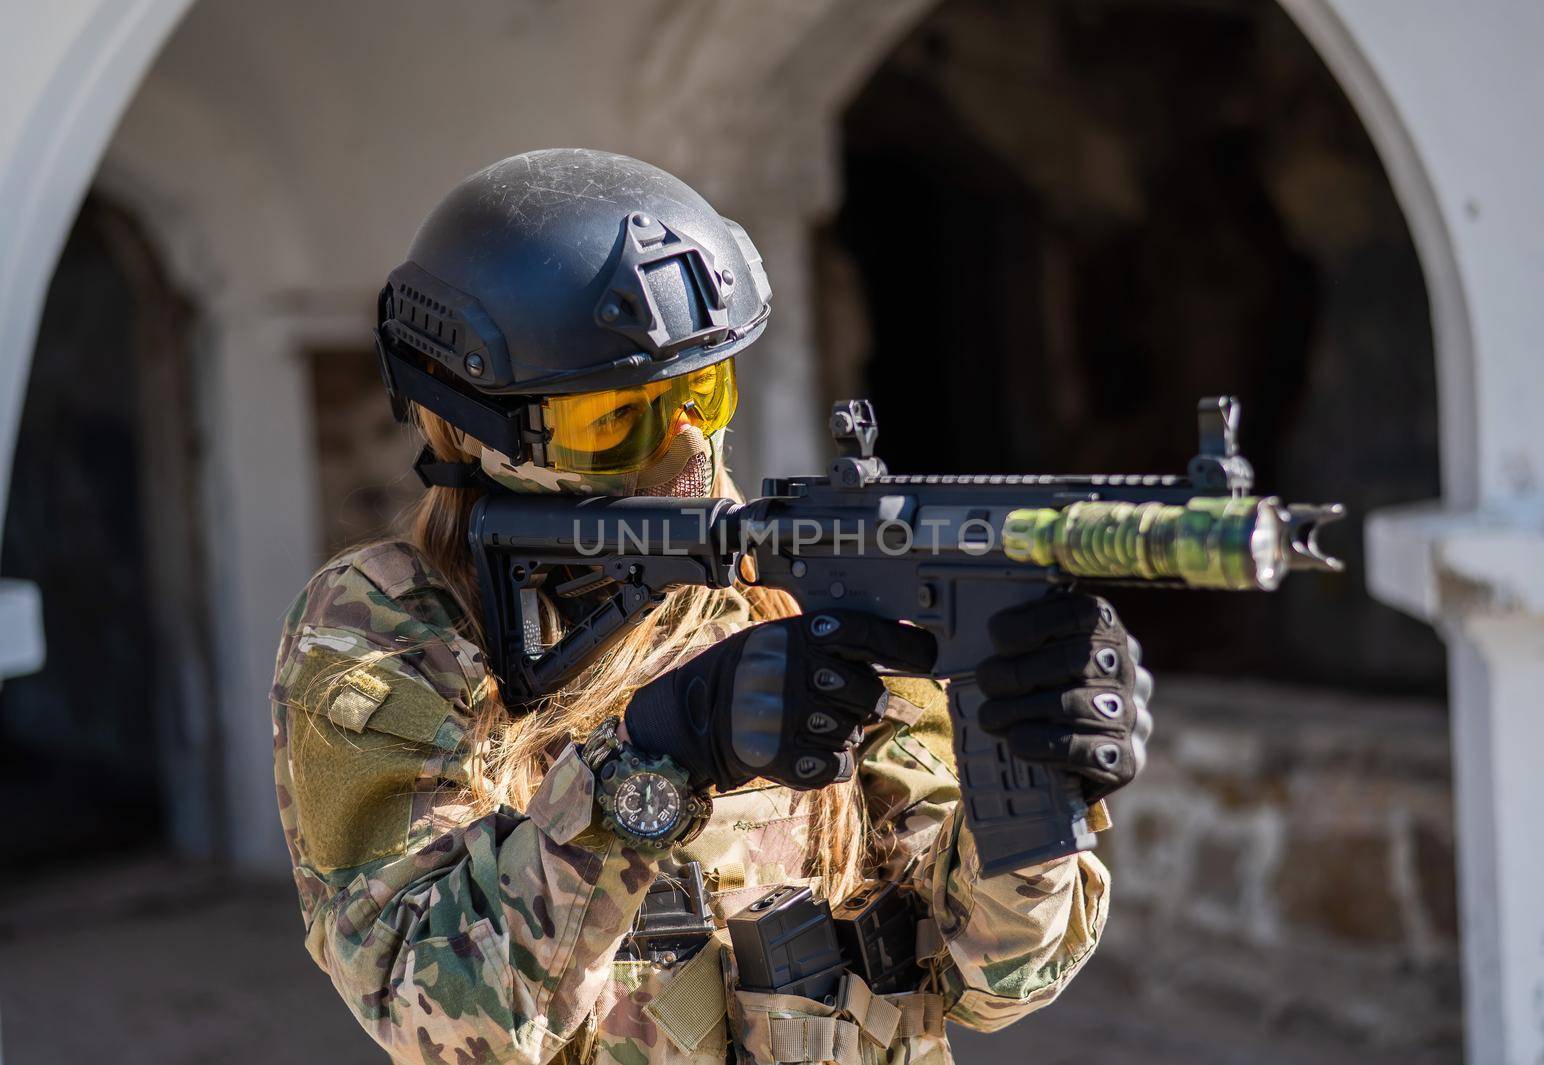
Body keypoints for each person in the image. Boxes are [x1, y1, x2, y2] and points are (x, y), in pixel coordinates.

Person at [270, 148, 1153, 1065]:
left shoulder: (802, 588)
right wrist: (651, 762)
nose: (685, 448)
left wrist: (1027, 779)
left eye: (702, 392)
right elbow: (443, 1017)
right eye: (616, 419)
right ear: (470, 424)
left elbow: (987, 982)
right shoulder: (388, 629)